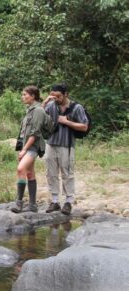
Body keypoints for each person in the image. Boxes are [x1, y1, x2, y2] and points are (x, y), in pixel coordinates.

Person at [42, 83, 89, 215]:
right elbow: (39, 118)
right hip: (51, 144)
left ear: (65, 94)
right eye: (53, 95)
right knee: (51, 173)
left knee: (67, 173)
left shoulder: (76, 108)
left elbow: (84, 126)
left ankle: (68, 202)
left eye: (58, 96)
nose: (55, 98)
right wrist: (45, 102)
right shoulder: (51, 105)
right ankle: (55, 201)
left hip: (67, 145)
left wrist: (67, 121)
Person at [11, 85, 47, 213]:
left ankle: (19, 203)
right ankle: (32, 205)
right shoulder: (30, 110)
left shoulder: (38, 110)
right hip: (27, 145)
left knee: (21, 169)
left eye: (25, 95)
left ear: (33, 96)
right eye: (22, 95)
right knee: (30, 173)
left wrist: (24, 150)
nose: (23, 97)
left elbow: (35, 133)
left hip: (33, 146)